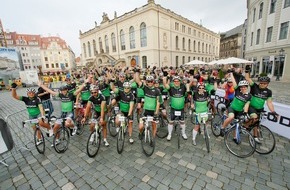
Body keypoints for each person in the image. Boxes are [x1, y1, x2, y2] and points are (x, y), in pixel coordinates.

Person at [245, 66, 278, 143]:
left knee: (257, 123)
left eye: (264, 83)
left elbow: (269, 103)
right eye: (261, 83)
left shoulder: (269, 92)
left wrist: (273, 111)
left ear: (267, 84)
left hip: (260, 109)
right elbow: (248, 79)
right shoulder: (254, 86)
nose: (262, 84)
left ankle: (255, 136)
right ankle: (245, 125)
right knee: (255, 118)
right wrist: (247, 70)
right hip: (251, 106)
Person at [220, 73, 252, 138]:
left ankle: (235, 137)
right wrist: (231, 75)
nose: (243, 88)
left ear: (247, 87)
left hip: (239, 111)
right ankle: (222, 127)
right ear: (240, 87)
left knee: (237, 124)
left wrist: (245, 112)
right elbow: (234, 82)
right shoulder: (237, 91)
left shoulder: (249, 96)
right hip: (232, 108)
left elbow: (246, 104)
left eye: (245, 87)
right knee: (231, 117)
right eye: (241, 87)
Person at [163, 75, 189, 141]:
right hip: (173, 108)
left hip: (181, 108)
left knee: (182, 122)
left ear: (180, 82)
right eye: (175, 81)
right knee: (171, 121)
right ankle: (169, 134)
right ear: (173, 82)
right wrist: (165, 77)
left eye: (178, 81)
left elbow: (189, 85)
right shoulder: (171, 88)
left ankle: (183, 133)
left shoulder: (183, 87)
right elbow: (165, 84)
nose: (176, 82)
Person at [135, 72, 160, 138]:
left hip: (153, 111)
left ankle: (153, 138)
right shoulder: (145, 88)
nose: (150, 83)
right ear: (146, 82)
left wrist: (156, 112)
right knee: (140, 127)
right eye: (148, 81)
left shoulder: (157, 90)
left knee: (154, 125)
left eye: (151, 81)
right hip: (145, 111)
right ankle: (141, 133)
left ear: (153, 82)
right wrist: (137, 71)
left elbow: (158, 102)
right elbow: (137, 81)